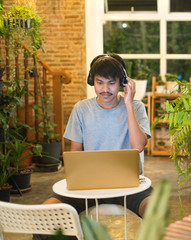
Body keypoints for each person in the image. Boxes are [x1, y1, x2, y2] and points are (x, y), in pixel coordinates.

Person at [39, 53, 151, 231]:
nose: (104, 89)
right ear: (92, 82)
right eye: (99, 82)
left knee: (155, 211)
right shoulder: (81, 109)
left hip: (129, 185)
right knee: (44, 216)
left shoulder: (136, 107)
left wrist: (128, 104)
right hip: (88, 186)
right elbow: (75, 155)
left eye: (111, 83)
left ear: (122, 83)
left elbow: (138, 146)